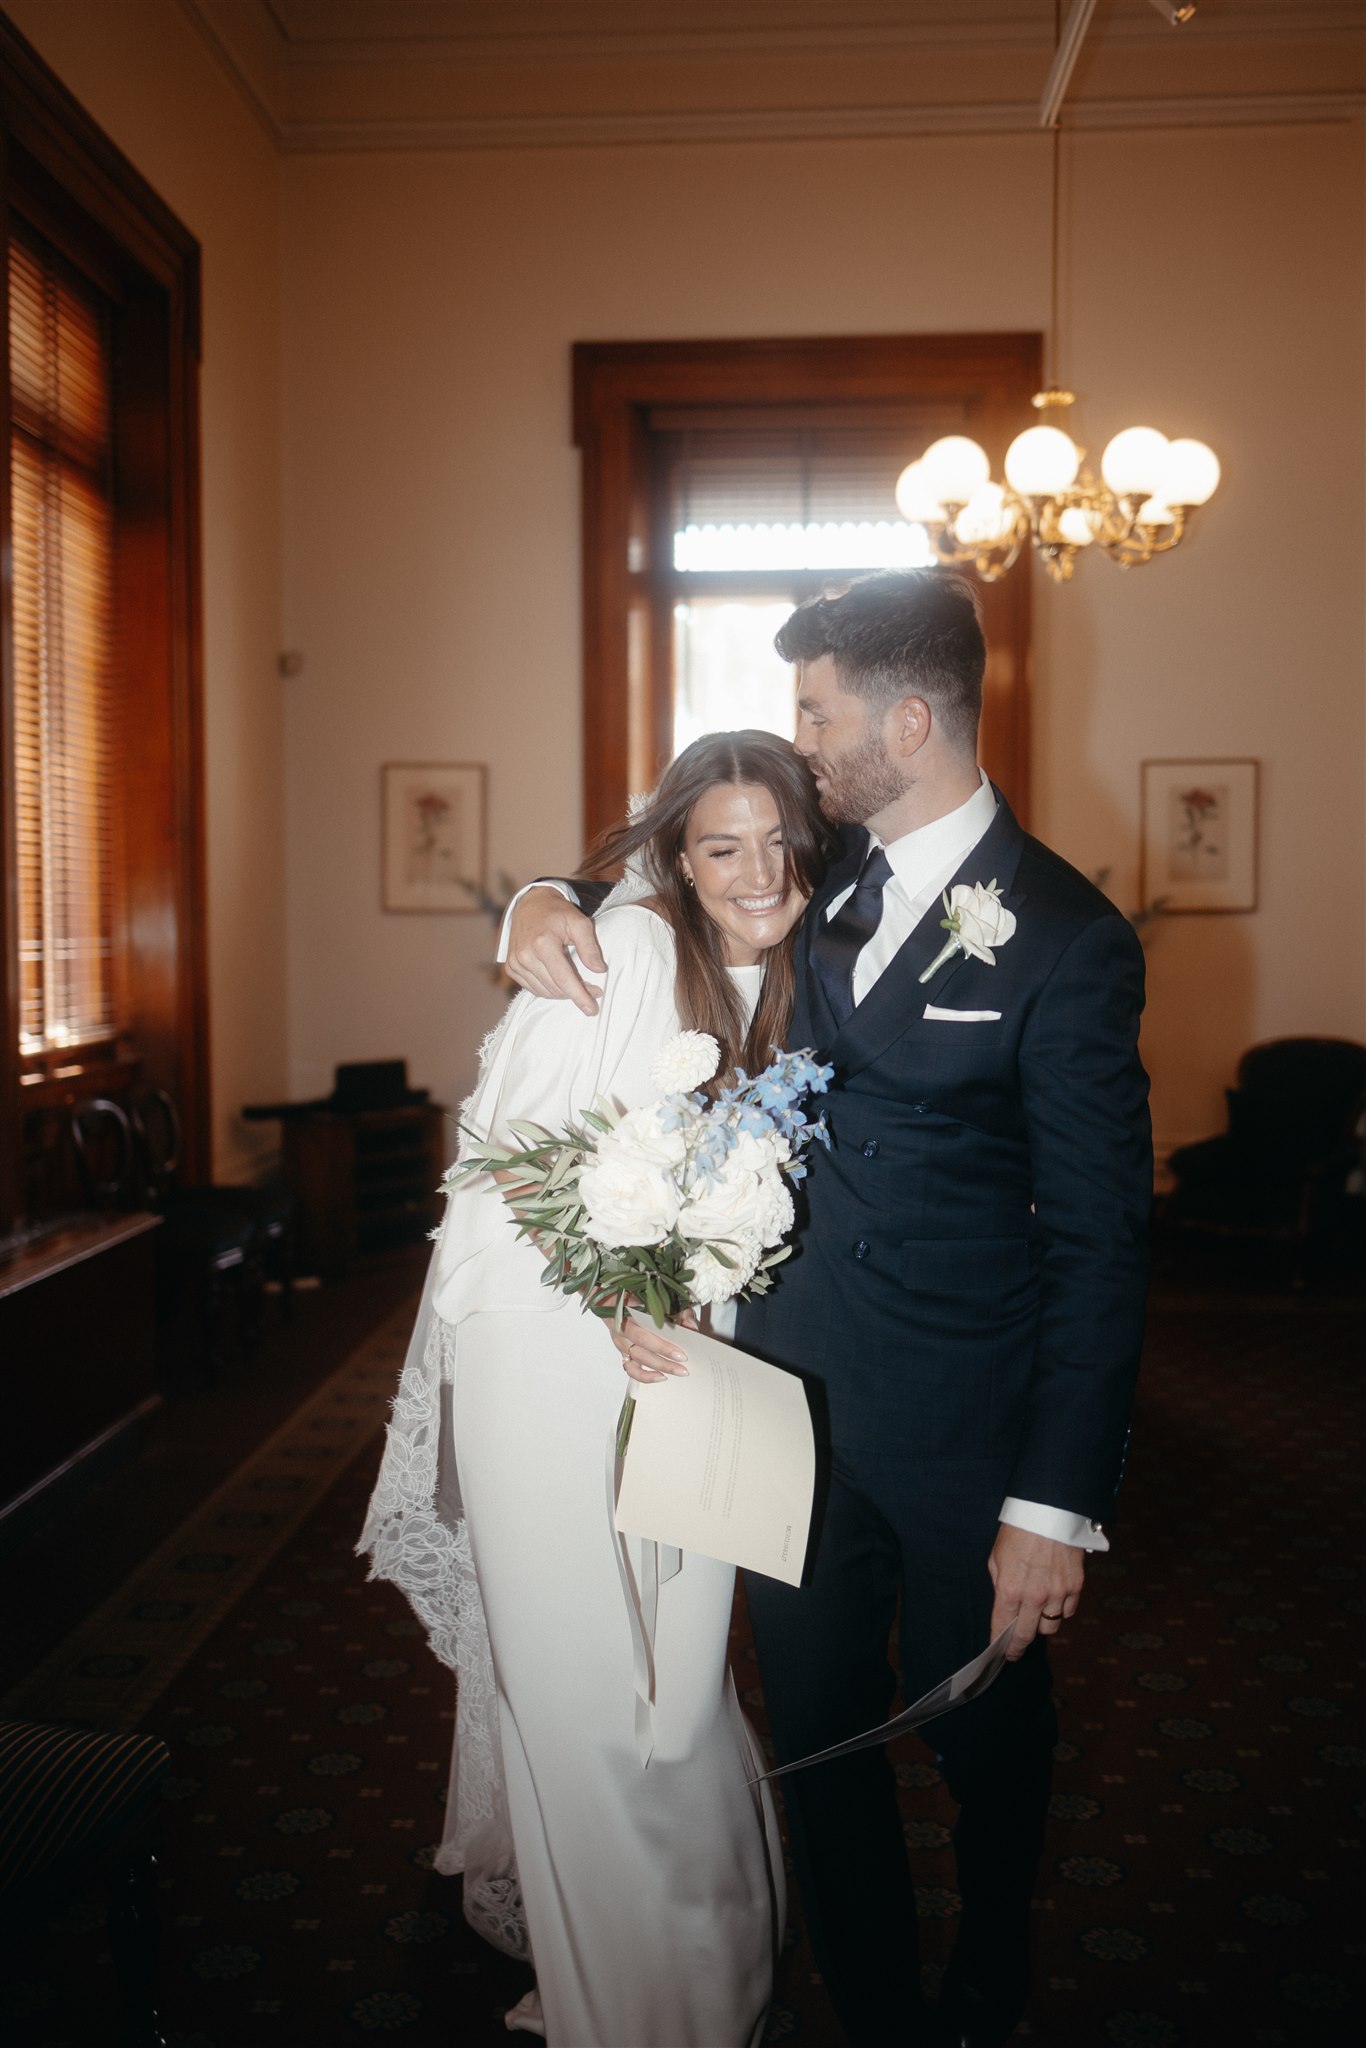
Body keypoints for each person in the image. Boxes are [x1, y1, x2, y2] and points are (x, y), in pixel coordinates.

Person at [502, 569, 1153, 2048]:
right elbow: (661, 869)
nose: (795, 745)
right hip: (777, 1417)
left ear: (906, 720)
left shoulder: (1063, 936)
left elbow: (1106, 1244)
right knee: (811, 1735)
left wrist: (1050, 1509)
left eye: (816, 713)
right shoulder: (813, 866)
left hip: (961, 1432)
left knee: (983, 1737)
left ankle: (991, 1969)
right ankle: (870, 2006)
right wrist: (535, 896)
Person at [360, 730, 838, 2047]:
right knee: (588, 1698)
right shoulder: (621, 955)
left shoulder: (799, 975)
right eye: (720, 847)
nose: (756, 872)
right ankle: (617, 2007)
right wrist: (619, 1283)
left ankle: (703, 1976)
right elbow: (501, 1163)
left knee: (675, 1693)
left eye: (777, 843)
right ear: (672, 859)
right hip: (552, 1357)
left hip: (687, 1346)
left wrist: (688, 1280)